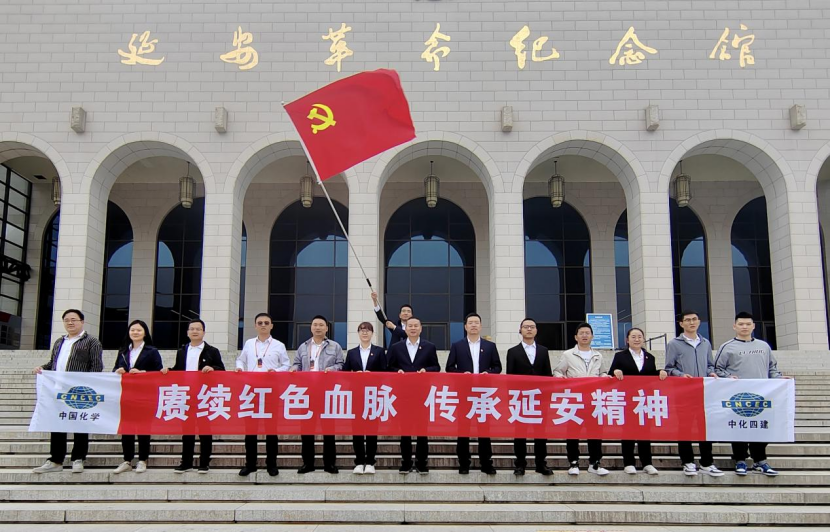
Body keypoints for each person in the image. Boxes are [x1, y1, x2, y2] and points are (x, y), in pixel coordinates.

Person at [715, 311, 789, 476]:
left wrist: (779, 378)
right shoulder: (727, 347)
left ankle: (760, 460)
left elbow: (772, 367)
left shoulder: (763, 346)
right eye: (741, 324)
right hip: (738, 396)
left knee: (760, 427)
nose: (744, 327)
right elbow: (717, 369)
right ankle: (740, 460)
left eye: (748, 324)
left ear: (753, 326)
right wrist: (728, 377)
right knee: (739, 427)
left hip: (761, 396)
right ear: (734, 326)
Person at [32, 309, 104, 474]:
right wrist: (42, 368)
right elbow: (53, 363)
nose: (70, 323)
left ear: (82, 322)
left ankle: (78, 458)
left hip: (79, 391)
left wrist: (87, 388)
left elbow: (96, 367)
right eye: (66, 320)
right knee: (57, 424)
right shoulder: (60, 342)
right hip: (57, 391)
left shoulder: (92, 342)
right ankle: (56, 460)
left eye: (74, 319)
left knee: (80, 424)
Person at [664, 309, 724, 477]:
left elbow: (710, 364)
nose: (692, 322)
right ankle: (688, 461)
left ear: (699, 322)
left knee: (705, 427)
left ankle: (707, 462)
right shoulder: (674, 344)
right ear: (681, 324)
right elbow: (669, 368)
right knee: (685, 427)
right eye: (688, 320)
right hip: (684, 393)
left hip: (704, 392)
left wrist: (711, 372)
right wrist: (681, 375)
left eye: (694, 319)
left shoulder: (705, 343)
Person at [161, 319, 225, 474]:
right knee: (187, 431)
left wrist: (212, 368)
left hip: (204, 395)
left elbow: (222, 370)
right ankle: (186, 462)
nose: (195, 331)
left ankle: (204, 462)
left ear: (204, 332)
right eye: (192, 329)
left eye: (198, 329)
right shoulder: (182, 351)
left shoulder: (212, 351)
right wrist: (168, 370)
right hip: (186, 395)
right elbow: (178, 370)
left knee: (205, 430)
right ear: (187, 332)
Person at [446, 313, 501, 475]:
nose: (474, 325)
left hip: (484, 394)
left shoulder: (490, 346)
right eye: (470, 323)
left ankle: (486, 463)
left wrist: (488, 373)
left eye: (477, 322)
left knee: (484, 429)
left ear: (481, 326)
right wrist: (462, 374)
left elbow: (497, 367)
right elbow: (449, 368)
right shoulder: (457, 345)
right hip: (465, 393)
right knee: (463, 429)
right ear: (465, 326)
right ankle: (464, 463)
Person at [235, 312, 290, 477]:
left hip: (270, 390)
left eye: (266, 322)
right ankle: (250, 464)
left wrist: (277, 371)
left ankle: (271, 464)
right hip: (251, 391)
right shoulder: (249, 343)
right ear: (255, 326)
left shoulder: (279, 345)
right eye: (260, 323)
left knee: (271, 430)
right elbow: (240, 359)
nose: (263, 325)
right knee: (250, 430)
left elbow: (286, 365)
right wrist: (240, 368)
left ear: (271, 326)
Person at [553, 322, 609, 477]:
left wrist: (605, 377)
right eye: (581, 333)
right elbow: (557, 371)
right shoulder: (568, 354)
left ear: (592, 336)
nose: (584, 335)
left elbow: (603, 372)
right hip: (575, 399)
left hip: (594, 399)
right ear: (576, 337)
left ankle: (595, 463)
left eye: (587, 333)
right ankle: (573, 462)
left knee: (595, 432)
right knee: (573, 431)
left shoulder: (598, 355)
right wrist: (560, 378)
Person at [609, 327, 667, 475]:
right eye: (633, 337)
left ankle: (647, 462)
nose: (637, 339)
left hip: (644, 400)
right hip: (627, 399)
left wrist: (660, 372)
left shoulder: (650, 357)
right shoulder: (620, 356)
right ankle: (629, 462)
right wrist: (616, 372)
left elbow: (650, 375)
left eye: (639, 336)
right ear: (627, 340)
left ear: (643, 339)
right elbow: (611, 373)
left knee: (645, 431)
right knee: (627, 431)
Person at [386, 316, 440, 474]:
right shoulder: (396, 347)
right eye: (410, 326)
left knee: (422, 431)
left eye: (416, 325)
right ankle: (406, 462)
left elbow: (436, 367)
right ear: (405, 329)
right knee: (405, 431)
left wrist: (426, 370)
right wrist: (397, 371)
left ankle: (422, 463)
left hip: (423, 395)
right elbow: (388, 367)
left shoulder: (429, 347)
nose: (413, 328)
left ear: (421, 328)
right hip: (403, 395)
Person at [291, 315, 344, 474]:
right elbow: (296, 363)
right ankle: (308, 463)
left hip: (327, 392)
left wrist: (332, 370)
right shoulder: (303, 347)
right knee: (307, 430)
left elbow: (341, 364)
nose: (318, 327)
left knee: (329, 429)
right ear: (311, 327)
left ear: (326, 328)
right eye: (315, 324)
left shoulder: (335, 346)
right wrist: (294, 369)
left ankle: (330, 463)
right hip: (307, 393)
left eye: (321, 325)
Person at [112, 320, 163, 474]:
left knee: (143, 428)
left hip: (145, 395)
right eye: (132, 330)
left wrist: (143, 373)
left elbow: (159, 372)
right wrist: (118, 370)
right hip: (126, 394)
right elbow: (115, 368)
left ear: (145, 333)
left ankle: (142, 460)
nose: (135, 332)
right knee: (126, 428)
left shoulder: (152, 351)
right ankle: (127, 460)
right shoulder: (123, 351)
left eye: (139, 330)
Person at [506, 318, 553, 476]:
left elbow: (548, 375)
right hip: (521, 399)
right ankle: (520, 464)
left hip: (540, 399)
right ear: (520, 330)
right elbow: (510, 377)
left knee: (541, 433)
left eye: (532, 327)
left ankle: (541, 464)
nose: (529, 329)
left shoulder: (543, 351)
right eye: (526, 327)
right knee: (520, 433)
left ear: (536, 330)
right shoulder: (513, 352)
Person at [343, 321, 387, 474]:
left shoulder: (379, 351)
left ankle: (370, 462)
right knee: (357, 430)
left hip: (373, 395)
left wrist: (372, 375)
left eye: (368, 330)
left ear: (372, 333)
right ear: (358, 333)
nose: (365, 333)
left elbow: (385, 372)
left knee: (372, 429)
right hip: (356, 395)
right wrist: (355, 376)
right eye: (362, 330)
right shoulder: (352, 352)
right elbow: (345, 373)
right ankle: (359, 461)